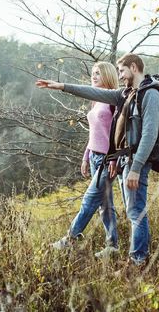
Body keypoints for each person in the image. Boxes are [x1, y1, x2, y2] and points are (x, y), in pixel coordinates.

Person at [37, 54, 159, 266]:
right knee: (127, 210)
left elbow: (150, 135)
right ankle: (120, 250)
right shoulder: (127, 94)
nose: (120, 76)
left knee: (135, 212)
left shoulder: (151, 95)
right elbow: (94, 92)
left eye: (122, 71)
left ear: (134, 67)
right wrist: (61, 86)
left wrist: (136, 168)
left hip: (134, 163)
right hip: (123, 162)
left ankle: (138, 261)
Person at [49, 62, 121, 259]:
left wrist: (114, 158)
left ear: (107, 75)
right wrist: (85, 156)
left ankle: (70, 239)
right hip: (95, 156)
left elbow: (118, 134)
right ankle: (112, 246)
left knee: (89, 201)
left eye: (98, 73)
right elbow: (94, 133)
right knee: (105, 205)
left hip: (108, 160)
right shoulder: (96, 100)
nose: (94, 76)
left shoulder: (114, 99)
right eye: (93, 73)